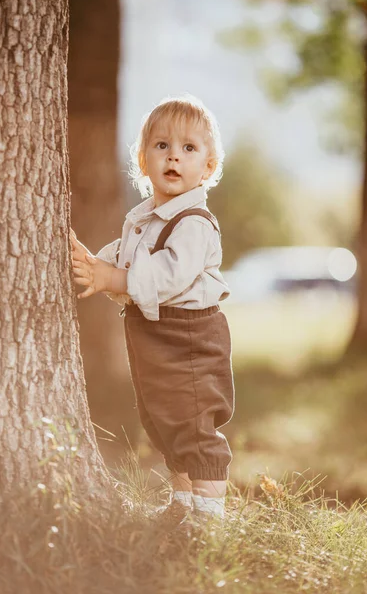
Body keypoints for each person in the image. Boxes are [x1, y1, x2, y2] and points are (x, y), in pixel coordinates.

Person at [70, 94, 235, 524]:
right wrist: (96, 265)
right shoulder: (145, 216)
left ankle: (209, 515)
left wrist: (112, 279)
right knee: (163, 420)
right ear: (143, 160)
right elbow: (125, 256)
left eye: (188, 148)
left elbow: (168, 276)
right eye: (162, 146)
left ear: (209, 167)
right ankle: (183, 503)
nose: (174, 157)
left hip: (191, 338)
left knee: (194, 423)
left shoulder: (195, 222)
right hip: (155, 337)